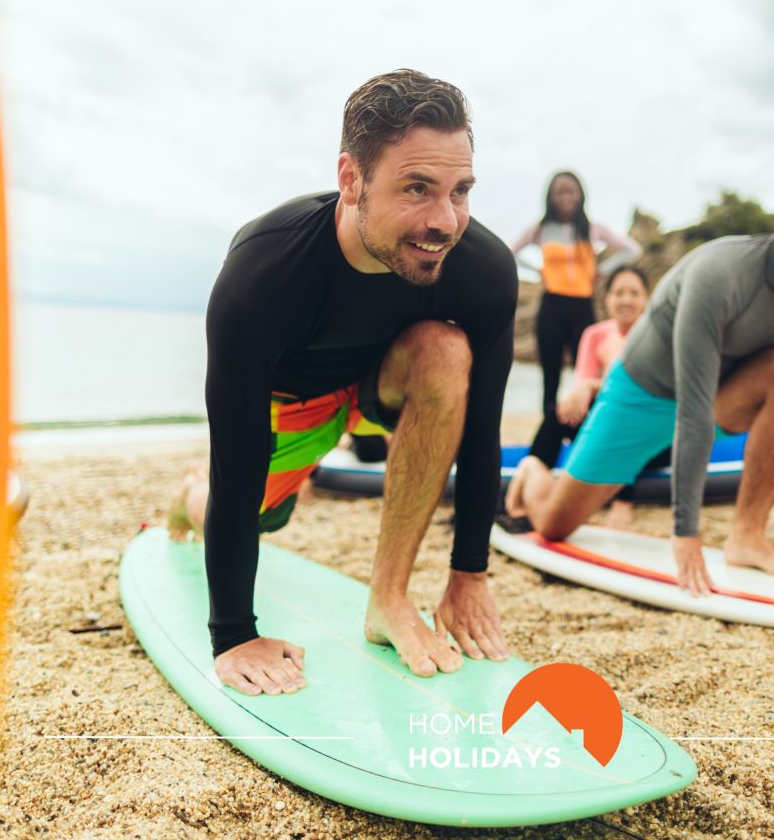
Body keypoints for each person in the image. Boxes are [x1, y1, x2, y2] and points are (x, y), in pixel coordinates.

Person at [167, 69, 518, 695]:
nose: (446, 221)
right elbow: (239, 459)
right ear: (351, 179)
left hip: (380, 384)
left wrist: (469, 574)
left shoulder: (483, 271)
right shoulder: (263, 274)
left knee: (444, 349)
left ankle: (388, 599)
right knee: (256, 515)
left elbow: (482, 431)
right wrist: (233, 635)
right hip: (291, 403)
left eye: (460, 190)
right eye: (417, 188)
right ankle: (185, 498)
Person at [505, 163, 774, 595]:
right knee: (554, 525)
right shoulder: (720, 273)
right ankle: (534, 472)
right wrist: (685, 534)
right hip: (641, 395)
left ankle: (749, 536)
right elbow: (693, 410)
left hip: (721, 396)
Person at [511, 172, 642, 460]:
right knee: (551, 377)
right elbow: (511, 252)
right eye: (559, 192)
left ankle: (587, 433)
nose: (565, 197)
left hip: (583, 307)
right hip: (552, 307)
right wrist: (538, 272)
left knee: (589, 373)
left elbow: (632, 249)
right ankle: (549, 440)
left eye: (571, 192)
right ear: (550, 197)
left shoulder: (592, 229)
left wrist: (601, 272)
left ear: (581, 194)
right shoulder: (541, 230)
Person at [551, 265, 661, 529]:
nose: (626, 300)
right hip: (607, 420)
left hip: (648, 430)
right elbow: (582, 385)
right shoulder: (595, 334)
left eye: (634, 293)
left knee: (631, 420)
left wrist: (593, 386)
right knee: (554, 414)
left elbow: (648, 393)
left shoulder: (657, 335)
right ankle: (533, 472)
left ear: (646, 298)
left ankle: (623, 500)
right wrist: (585, 389)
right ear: (607, 299)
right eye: (618, 292)